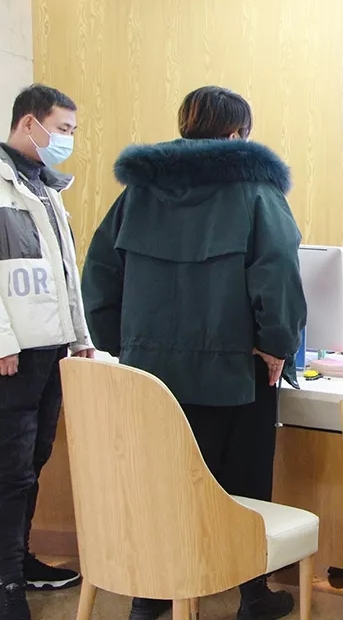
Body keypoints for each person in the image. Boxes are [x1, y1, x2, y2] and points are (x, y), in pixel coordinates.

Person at [81, 86, 307, 620]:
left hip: (150, 378)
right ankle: (252, 594)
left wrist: (125, 346)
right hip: (236, 372)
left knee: (160, 483)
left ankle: (150, 596)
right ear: (236, 133)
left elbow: (99, 276)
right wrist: (277, 344)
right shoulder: (255, 191)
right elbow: (277, 272)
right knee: (243, 486)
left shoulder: (137, 192)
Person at [0, 84, 94, 620]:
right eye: (61, 128)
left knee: (34, 462)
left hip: (50, 348)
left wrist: (80, 337)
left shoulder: (46, 189)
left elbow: (64, 277)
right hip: (12, 354)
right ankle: (6, 582)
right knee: (10, 469)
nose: (67, 139)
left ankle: (20, 558)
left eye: (72, 131)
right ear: (28, 123)